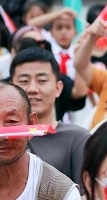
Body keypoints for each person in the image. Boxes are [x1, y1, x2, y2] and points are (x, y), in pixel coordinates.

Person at [9, 48, 90, 188]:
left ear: (58, 88)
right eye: (23, 81)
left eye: (42, 80)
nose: (32, 89)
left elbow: (85, 196)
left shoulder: (76, 138)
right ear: (11, 88)